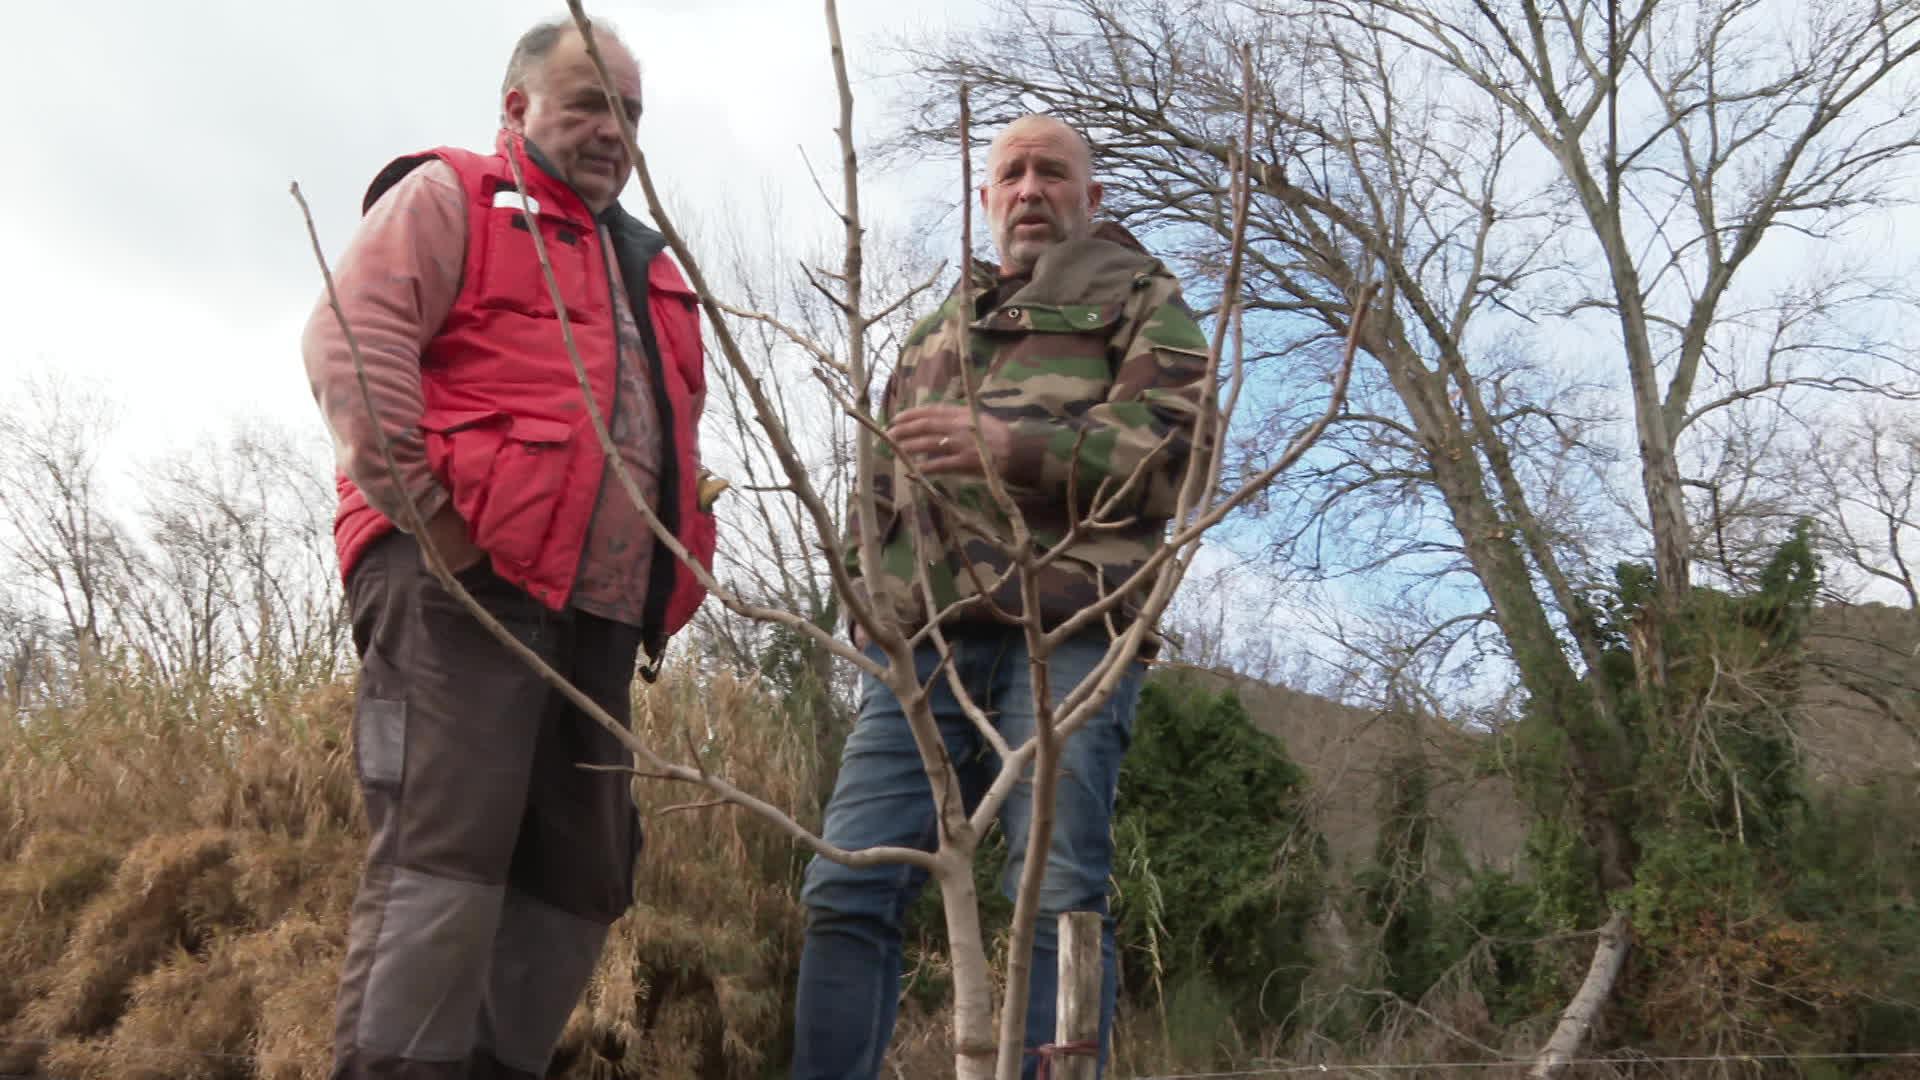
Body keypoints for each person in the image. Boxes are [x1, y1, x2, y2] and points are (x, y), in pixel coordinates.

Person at [301, 16, 715, 1080]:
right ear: (517, 106)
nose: (614, 130)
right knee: (448, 856)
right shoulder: (455, 197)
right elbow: (351, 340)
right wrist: (433, 524)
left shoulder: (652, 270)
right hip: (462, 588)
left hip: (601, 617)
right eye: (589, 103)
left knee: (582, 876)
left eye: (630, 112)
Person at [791, 114, 1212, 1080]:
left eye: (1052, 173)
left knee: (1056, 895)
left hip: (1064, 634)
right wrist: (863, 600)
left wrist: (1013, 447)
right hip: (923, 649)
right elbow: (874, 479)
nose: (1030, 190)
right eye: (1011, 174)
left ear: (1090, 196)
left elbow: (1174, 457)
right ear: (986, 200)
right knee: (847, 883)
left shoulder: (1144, 300)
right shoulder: (939, 326)